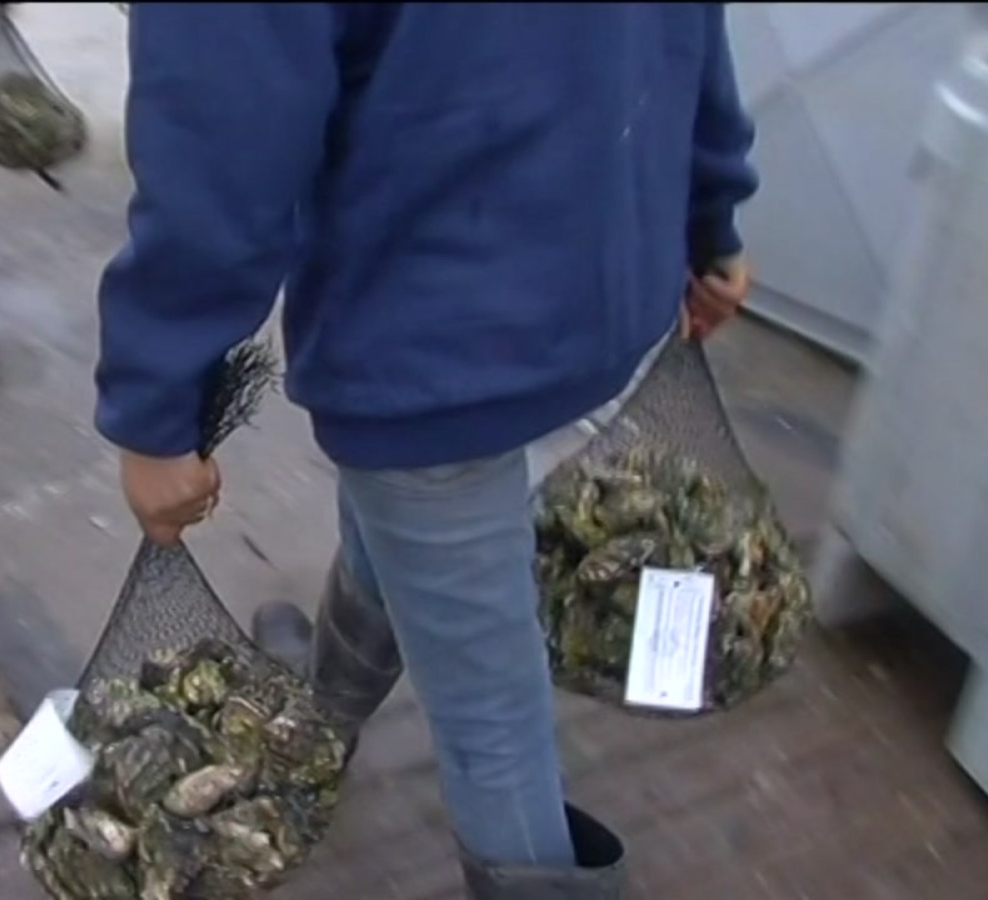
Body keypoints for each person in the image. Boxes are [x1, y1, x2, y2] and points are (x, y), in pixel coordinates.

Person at [93, 5, 757, 898]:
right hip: (597, 274)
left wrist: (159, 402)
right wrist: (711, 213)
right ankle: (323, 715)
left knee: (492, 714)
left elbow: (224, 130)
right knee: (417, 523)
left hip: (437, 332)